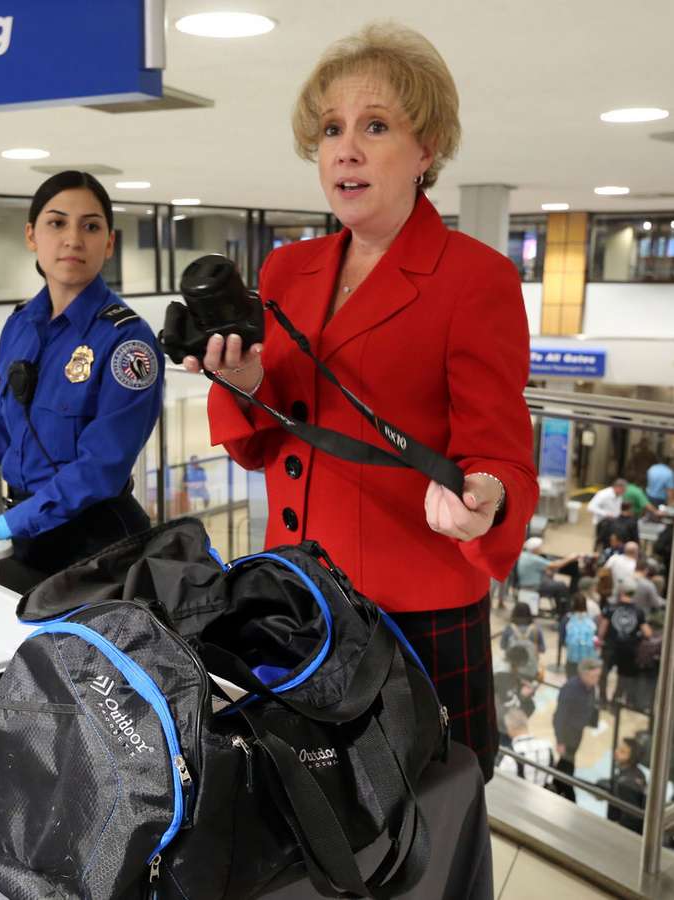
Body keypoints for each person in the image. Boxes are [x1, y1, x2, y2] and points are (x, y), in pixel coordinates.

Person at [184, 22, 537, 781]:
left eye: (375, 126)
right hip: (297, 598)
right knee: (305, 809)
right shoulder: (286, 270)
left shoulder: (476, 279)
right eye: (331, 130)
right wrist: (243, 385)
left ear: (426, 149)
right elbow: (261, 443)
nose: (345, 149)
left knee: (429, 813)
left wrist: (485, 494)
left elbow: (501, 455)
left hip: (415, 616)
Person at [0, 171, 163, 581]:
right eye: (57, 223)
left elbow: (101, 467)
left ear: (109, 243)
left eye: (91, 227)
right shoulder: (20, 325)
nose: (73, 239)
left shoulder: (128, 342)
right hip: (26, 535)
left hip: (98, 547)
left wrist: (11, 522)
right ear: (31, 235)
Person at [599, 579, 653, 707]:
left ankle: (602, 700)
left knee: (603, 674)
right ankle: (615, 702)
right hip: (628, 649)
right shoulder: (639, 611)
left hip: (610, 646)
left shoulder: (610, 608)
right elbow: (648, 633)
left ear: (621, 592)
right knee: (623, 677)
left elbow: (602, 629)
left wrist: (601, 640)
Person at [553, 658, 601, 768]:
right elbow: (559, 716)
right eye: (593, 676)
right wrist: (560, 741)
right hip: (568, 732)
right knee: (567, 761)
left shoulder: (591, 687)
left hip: (578, 730)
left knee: (570, 759)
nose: (597, 680)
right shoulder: (570, 689)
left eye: (598, 676)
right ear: (584, 674)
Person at [496, 709, 556, 788]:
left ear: (509, 728)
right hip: (543, 793)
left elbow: (501, 785)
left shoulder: (511, 756)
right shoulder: (548, 747)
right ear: (526, 724)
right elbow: (550, 778)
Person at [602, 738, 647, 834]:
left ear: (632, 757)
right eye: (618, 748)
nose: (616, 752)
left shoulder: (625, 783)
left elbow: (632, 817)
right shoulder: (638, 773)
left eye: (622, 751)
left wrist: (615, 829)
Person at [563, 595, 600, 679]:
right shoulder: (591, 621)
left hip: (572, 657)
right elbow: (596, 638)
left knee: (572, 680)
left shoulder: (567, 619)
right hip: (588, 658)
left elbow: (563, 639)